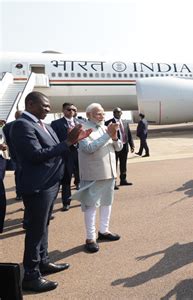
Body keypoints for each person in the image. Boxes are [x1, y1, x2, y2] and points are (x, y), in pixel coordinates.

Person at [11, 91, 90, 293]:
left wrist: (73, 142)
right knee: (35, 231)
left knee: (43, 226)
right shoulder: (22, 125)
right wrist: (67, 143)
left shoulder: (43, 124)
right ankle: (30, 275)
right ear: (30, 104)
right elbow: (35, 155)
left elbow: (57, 148)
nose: (48, 109)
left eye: (48, 106)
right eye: (44, 105)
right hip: (37, 186)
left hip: (50, 183)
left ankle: (43, 262)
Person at [73, 103, 123, 253]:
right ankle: (90, 238)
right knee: (91, 206)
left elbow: (119, 147)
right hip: (93, 173)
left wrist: (114, 137)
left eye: (102, 114)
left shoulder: (104, 127)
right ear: (88, 115)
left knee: (107, 203)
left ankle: (104, 231)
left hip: (109, 172)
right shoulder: (82, 129)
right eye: (97, 114)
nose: (101, 116)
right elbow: (88, 148)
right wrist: (108, 135)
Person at [51, 102, 80, 211]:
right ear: (63, 111)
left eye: (73, 110)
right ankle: (66, 202)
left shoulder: (79, 122)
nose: (71, 111)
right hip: (65, 155)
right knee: (66, 179)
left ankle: (84, 199)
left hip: (79, 153)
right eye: (68, 109)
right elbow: (54, 141)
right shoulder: (56, 123)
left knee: (82, 177)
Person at [105, 107, 134, 189]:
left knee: (123, 164)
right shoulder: (108, 123)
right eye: (116, 112)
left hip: (124, 146)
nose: (118, 114)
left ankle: (123, 179)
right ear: (113, 113)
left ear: (121, 113)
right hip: (114, 146)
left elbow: (128, 134)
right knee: (114, 165)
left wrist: (131, 145)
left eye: (120, 112)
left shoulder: (125, 122)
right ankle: (113, 183)